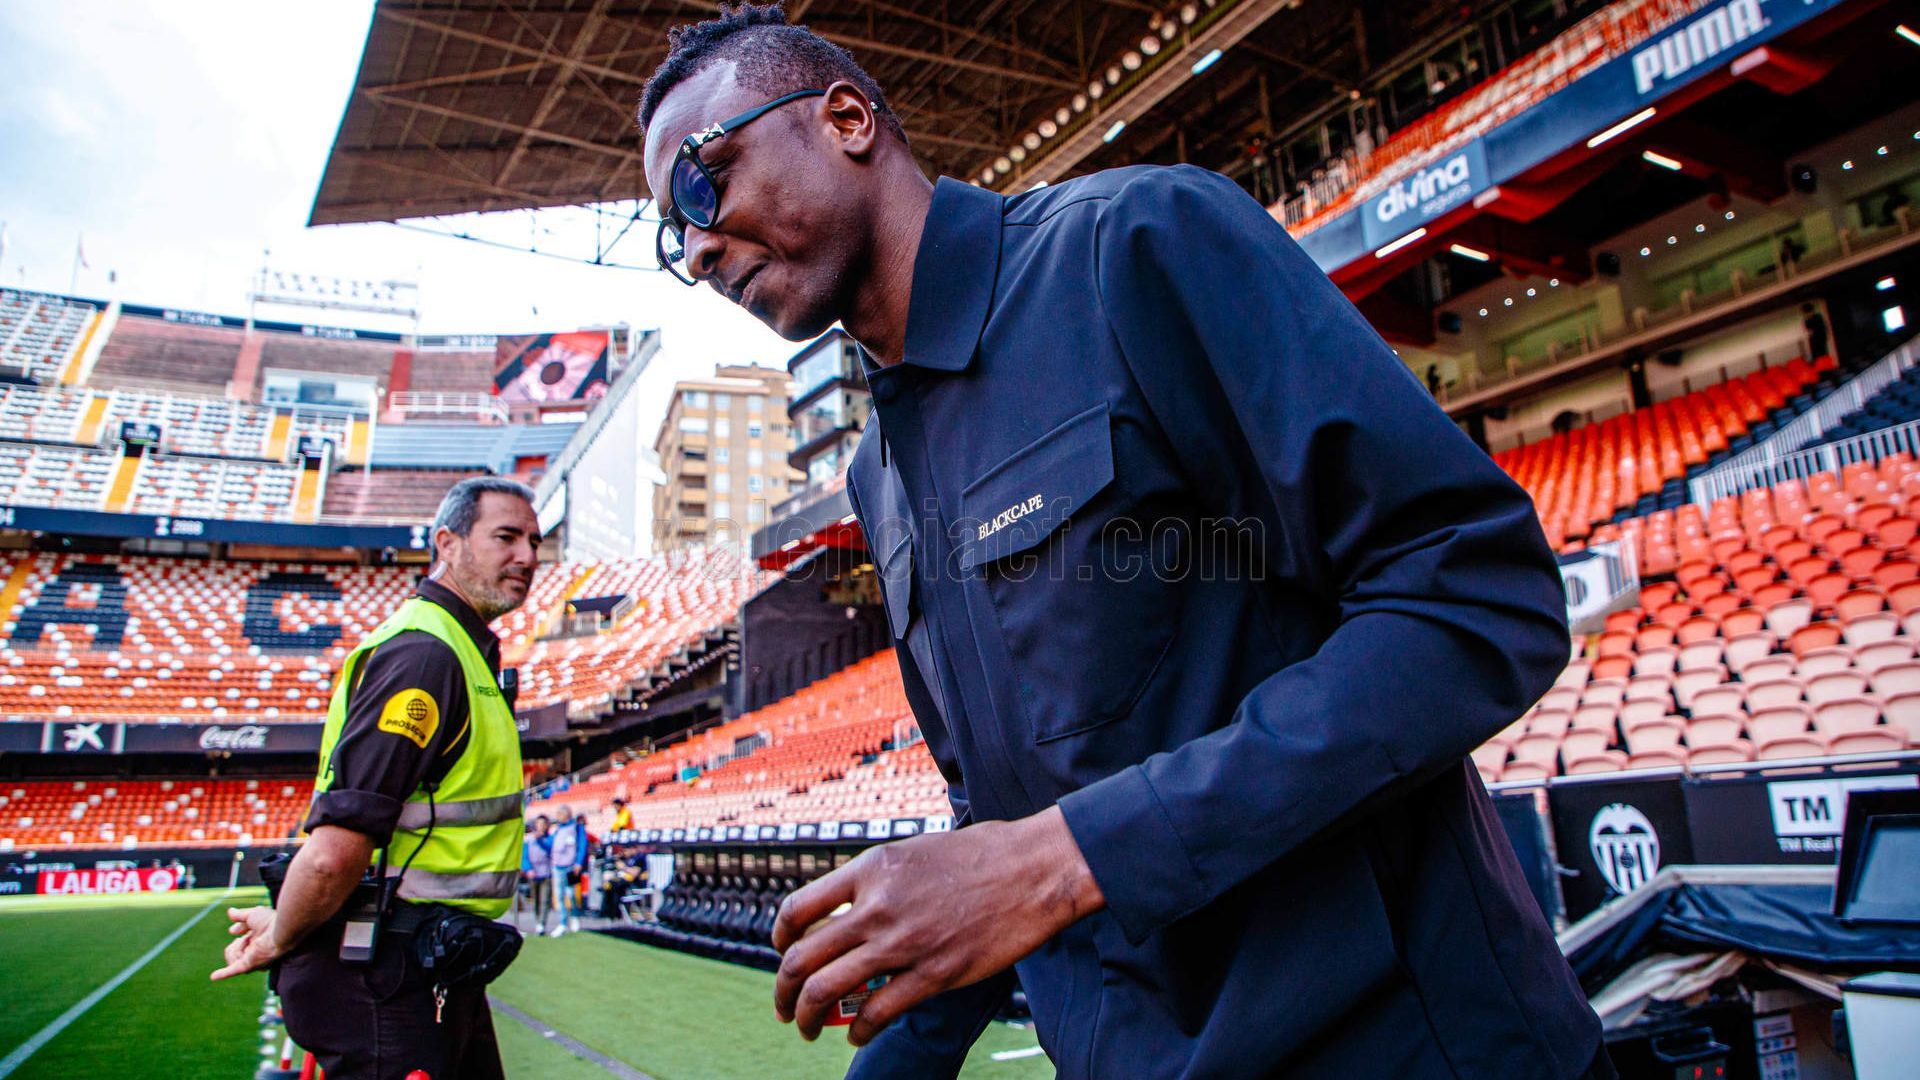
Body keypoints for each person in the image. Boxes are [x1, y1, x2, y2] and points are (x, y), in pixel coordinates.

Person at [637, 7, 1610, 1079]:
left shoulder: (1139, 245)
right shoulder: (878, 476)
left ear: (847, 118)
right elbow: (999, 823)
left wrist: (1069, 860)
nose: (696, 245)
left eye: (699, 182)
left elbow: (1479, 599)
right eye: (670, 235)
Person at [210, 477, 541, 1080]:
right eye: (506, 537)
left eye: (535, 541)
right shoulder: (426, 657)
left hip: (430, 967)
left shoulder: (459, 652)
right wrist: (281, 937)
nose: (528, 556)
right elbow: (337, 850)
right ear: (448, 542)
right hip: (391, 982)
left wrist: (288, 923)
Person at [548, 804, 583, 936]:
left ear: (567, 814)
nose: (558, 817)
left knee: (572, 894)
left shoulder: (576, 827)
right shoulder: (557, 829)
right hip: (557, 867)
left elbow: (582, 845)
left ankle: (575, 917)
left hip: (571, 866)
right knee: (560, 896)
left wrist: (578, 862)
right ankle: (562, 923)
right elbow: (551, 844)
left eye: (560, 814)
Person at [523, 814, 555, 935]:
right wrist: (528, 869)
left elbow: (549, 848)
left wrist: (540, 840)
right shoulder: (529, 839)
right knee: (536, 900)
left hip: (546, 874)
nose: (541, 826)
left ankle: (542, 923)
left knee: (545, 900)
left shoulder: (549, 839)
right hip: (533, 874)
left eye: (543, 824)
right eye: (539, 824)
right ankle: (537, 921)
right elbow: (524, 857)